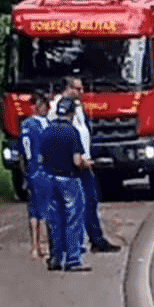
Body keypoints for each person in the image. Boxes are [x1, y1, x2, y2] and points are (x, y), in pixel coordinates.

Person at [49, 77, 120, 253]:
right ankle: (74, 244)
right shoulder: (58, 108)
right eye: (78, 89)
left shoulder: (78, 107)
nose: (82, 93)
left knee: (90, 201)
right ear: (67, 88)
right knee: (73, 205)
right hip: (71, 164)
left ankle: (95, 238)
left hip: (84, 161)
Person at [40, 98, 91, 272]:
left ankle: (55, 258)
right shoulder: (72, 132)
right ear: (72, 113)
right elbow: (77, 161)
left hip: (49, 178)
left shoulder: (46, 131)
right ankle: (73, 259)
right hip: (69, 179)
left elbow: (41, 158)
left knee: (54, 220)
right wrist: (88, 164)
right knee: (73, 219)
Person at [20, 92, 51, 259]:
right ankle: (41, 246)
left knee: (35, 209)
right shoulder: (38, 125)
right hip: (41, 168)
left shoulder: (26, 124)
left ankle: (36, 246)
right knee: (43, 209)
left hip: (33, 169)